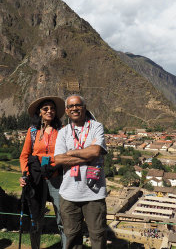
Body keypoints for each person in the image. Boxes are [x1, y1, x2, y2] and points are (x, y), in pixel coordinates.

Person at [54, 95, 107, 249]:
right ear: (66, 111)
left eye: (78, 105)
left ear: (84, 107)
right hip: (69, 194)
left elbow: (96, 151)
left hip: (94, 193)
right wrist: (87, 154)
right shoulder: (63, 132)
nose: (74, 108)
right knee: (72, 236)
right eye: (71, 106)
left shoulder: (96, 126)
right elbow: (58, 160)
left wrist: (70, 152)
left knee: (98, 235)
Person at [19, 96, 66, 249]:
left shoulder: (62, 131)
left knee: (62, 217)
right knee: (36, 219)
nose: (49, 111)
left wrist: (55, 164)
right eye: (45, 108)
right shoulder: (32, 132)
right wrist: (25, 174)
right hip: (35, 179)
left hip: (56, 178)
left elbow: (66, 154)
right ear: (39, 112)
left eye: (52, 109)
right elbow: (24, 155)